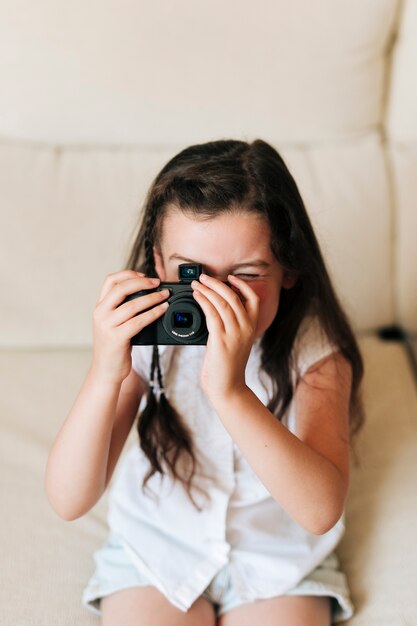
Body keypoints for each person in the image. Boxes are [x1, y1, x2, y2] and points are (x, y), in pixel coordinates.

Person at [45, 138, 365, 626]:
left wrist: (230, 391)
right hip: (157, 548)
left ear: (289, 270)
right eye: (191, 273)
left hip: (277, 559)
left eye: (245, 274)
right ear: (158, 263)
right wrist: (105, 372)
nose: (214, 299)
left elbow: (320, 510)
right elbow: (69, 499)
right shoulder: (148, 337)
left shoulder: (316, 356)